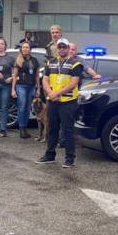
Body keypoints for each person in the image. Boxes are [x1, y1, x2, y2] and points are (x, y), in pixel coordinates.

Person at [36, 38, 83, 168]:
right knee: (52, 129)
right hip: (53, 102)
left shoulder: (75, 64)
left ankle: (70, 158)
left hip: (68, 102)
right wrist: (51, 93)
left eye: (64, 47)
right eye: (60, 47)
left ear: (68, 48)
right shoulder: (50, 63)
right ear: (57, 48)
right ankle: (50, 155)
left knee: (68, 131)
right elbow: (45, 80)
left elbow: (74, 83)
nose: (62, 49)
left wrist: (56, 94)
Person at [11, 41, 40, 139]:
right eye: (23, 47)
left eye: (27, 47)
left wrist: (38, 88)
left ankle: (25, 128)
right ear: (21, 49)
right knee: (22, 107)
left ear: (30, 49)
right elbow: (14, 76)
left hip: (31, 86)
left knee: (28, 108)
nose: (25, 49)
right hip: (21, 86)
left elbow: (36, 76)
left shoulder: (35, 60)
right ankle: (21, 128)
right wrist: (13, 89)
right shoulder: (18, 60)